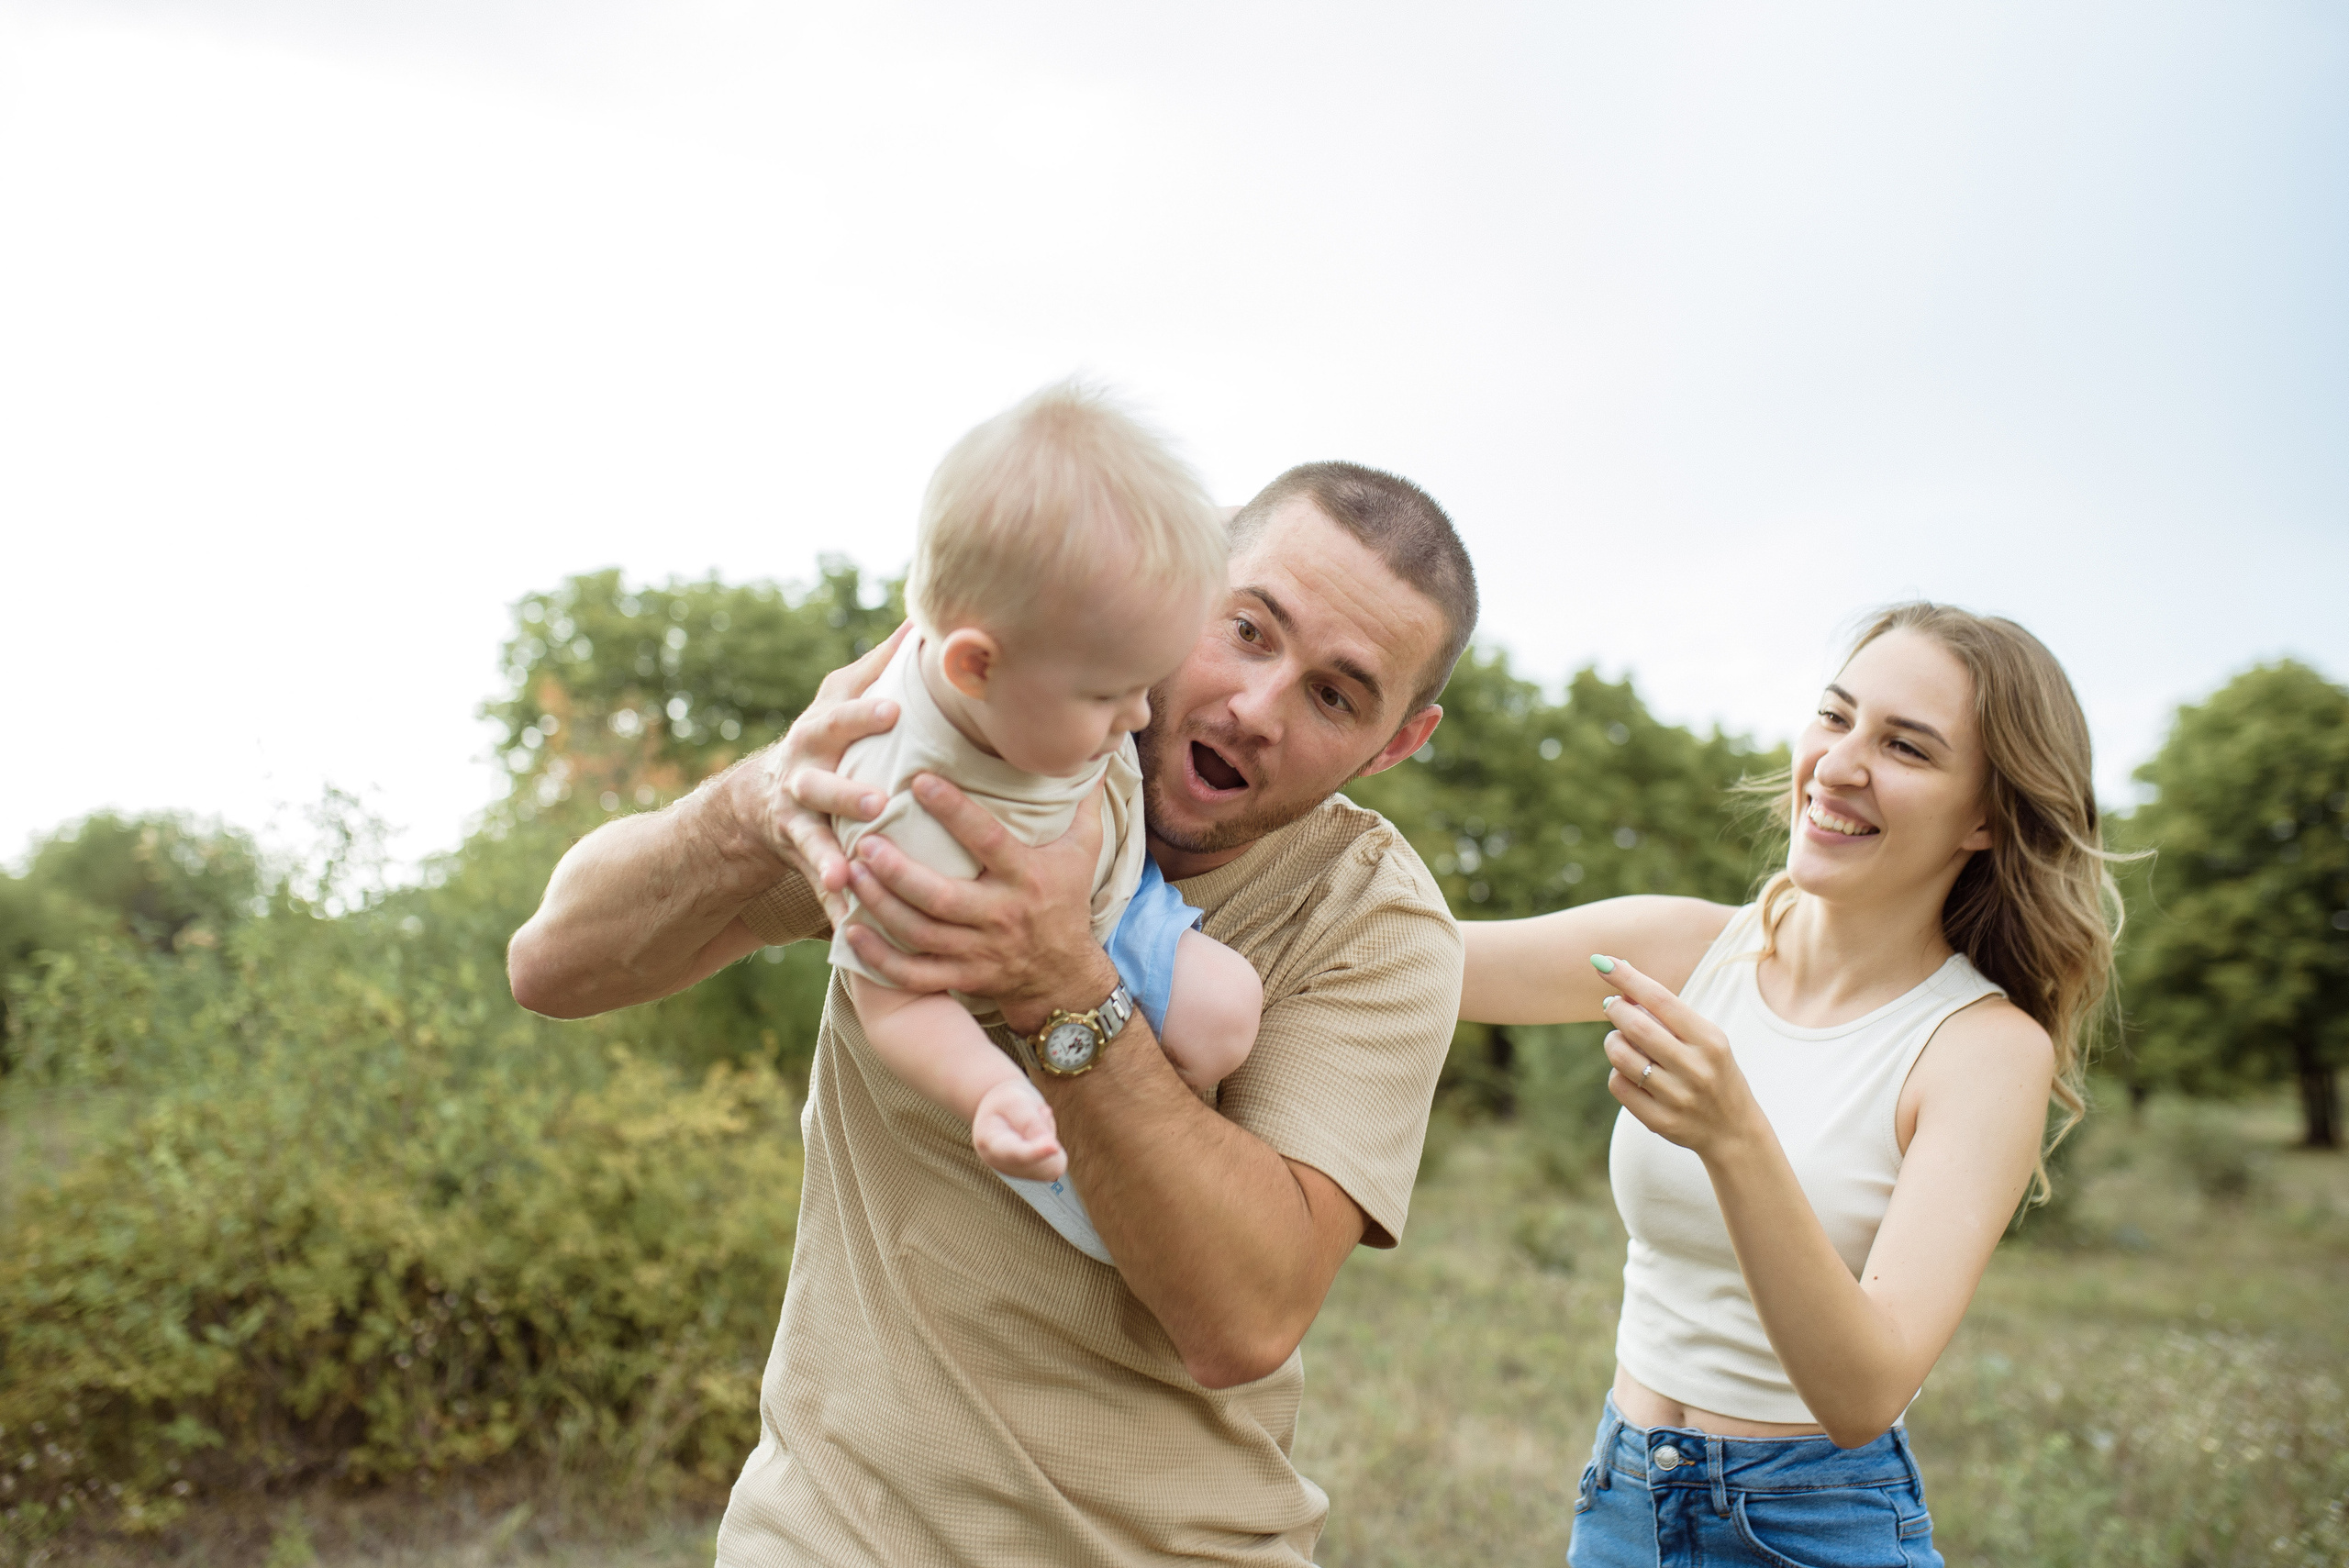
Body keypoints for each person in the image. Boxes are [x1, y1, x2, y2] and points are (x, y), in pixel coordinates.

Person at [506, 460, 1478, 1564]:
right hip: (827, 1535)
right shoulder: (976, 731)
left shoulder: (1377, 921)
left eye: (1334, 695)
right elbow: (554, 966)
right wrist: (758, 801)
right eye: (1247, 629)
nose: (1255, 708)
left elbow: (1243, 1318)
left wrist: (1060, 980)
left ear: (1396, 742)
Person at [1458, 603, 2120, 1568]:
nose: (1839, 763)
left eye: (1904, 746)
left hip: (1814, 1528)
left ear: (1985, 816)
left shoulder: (1981, 1049)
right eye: (1835, 716)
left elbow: (1863, 1396)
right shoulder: (1686, 950)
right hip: (1622, 1503)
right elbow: (1411, 959)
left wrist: (1734, 1136)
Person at [822, 382, 1262, 1262]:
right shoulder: (900, 813)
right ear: (974, 667)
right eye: (1108, 696)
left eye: (1148, 681)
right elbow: (893, 999)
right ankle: (1051, 1113)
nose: (1141, 716)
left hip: (1103, 864)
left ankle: (1123, 1107)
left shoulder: (1044, 625)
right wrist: (987, 1090)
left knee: (1227, 1006)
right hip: (1048, 929)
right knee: (1220, 1014)